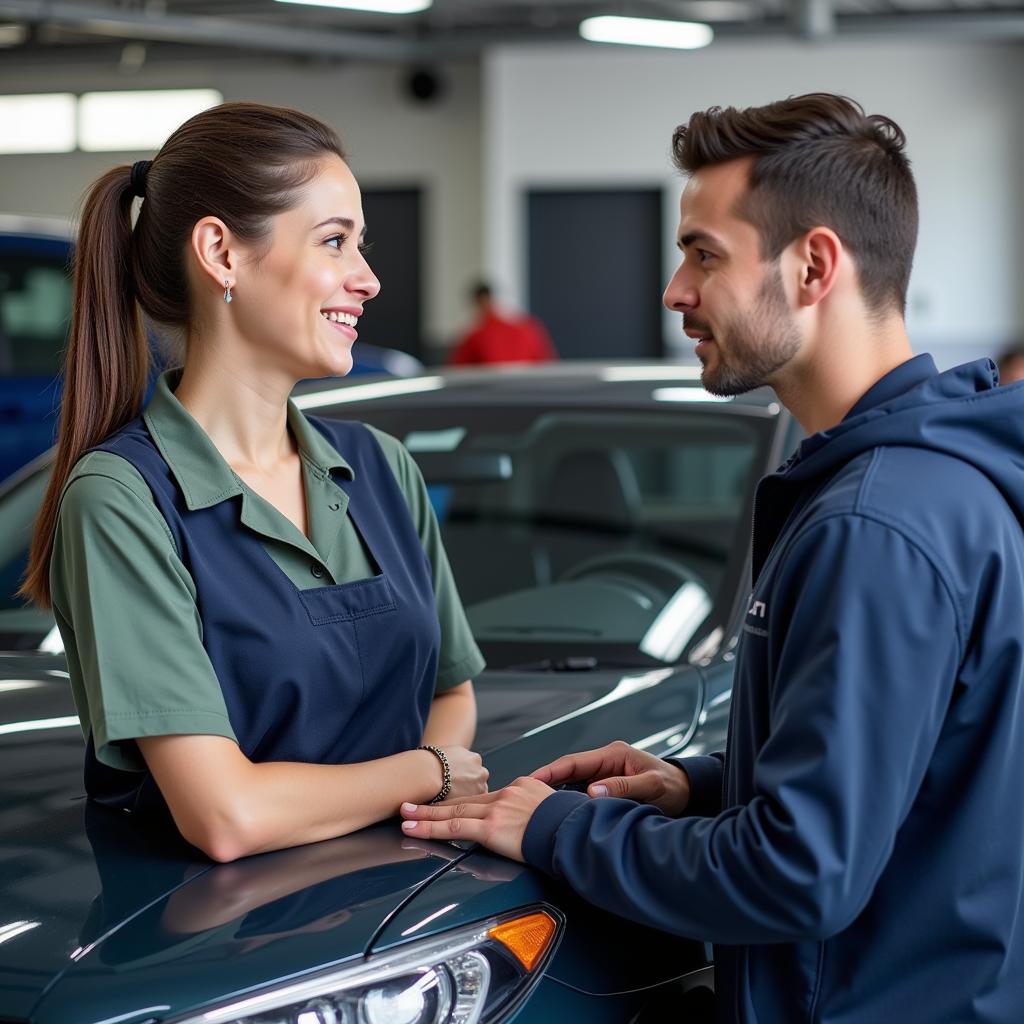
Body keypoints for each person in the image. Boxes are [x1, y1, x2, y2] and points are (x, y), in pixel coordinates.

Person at [401, 94, 1024, 1022]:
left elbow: (800, 875)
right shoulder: (927, 488)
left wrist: (556, 827)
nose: (674, 291)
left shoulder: (875, 526)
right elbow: (921, 772)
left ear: (814, 265)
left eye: (704, 253)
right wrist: (699, 785)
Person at [20, 102, 489, 863]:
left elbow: (450, 690)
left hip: (403, 921)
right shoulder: (121, 500)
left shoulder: (381, 467)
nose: (366, 279)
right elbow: (225, 817)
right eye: (335, 242)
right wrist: (429, 773)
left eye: (358, 246)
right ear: (221, 253)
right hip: (233, 958)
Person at [448, 281, 557, 365]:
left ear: (477, 302)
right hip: (527, 390)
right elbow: (546, 363)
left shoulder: (474, 336)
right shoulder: (528, 327)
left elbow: (457, 371)